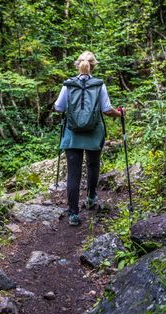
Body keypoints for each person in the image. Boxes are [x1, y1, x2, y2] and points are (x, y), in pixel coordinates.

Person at [54, 51, 124, 226]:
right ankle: (91, 197)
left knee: (73, 173)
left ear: (78, 64)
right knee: (93, 164)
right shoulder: (99, 85)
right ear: (94, 66)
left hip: (72, 134)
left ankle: (74, 214)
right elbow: (107, 110)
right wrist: (120, 114)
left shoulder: (68, 85)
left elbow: (59, 108)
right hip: (94, 132)